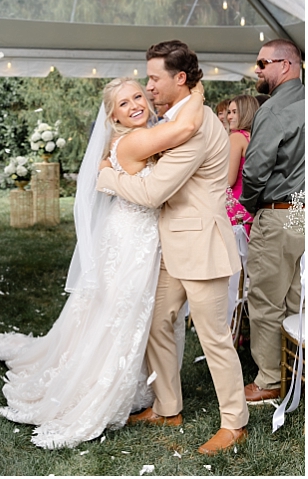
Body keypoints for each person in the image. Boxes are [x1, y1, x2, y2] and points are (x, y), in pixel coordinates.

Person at [0, 76, 205, 448]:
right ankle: (109, 384)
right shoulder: (134, 140)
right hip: (133, 238)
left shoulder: (136, 137)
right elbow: (185, 128)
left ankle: (151, 388)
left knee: (125, 312)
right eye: (124, 103)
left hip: (138, 233)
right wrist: (196, 92)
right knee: (122, 312)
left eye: (138, 96)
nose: (135, 105)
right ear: (113, 116)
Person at [96, 40, 248, 455]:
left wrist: (107, 177)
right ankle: (167, 407)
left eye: (154, 79)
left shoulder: (194, 127)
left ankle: (234, 422)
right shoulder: (180, 116)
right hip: (171, 246)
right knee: (157, 323)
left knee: (214, 339)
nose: (148, 87)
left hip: (201, 246)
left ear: (180, 79)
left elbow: (154, 191)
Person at [239, 39, 305, 405]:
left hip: (280, 211)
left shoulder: (274, 108)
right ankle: (293, 372)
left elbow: (255, 170)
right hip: (302, 211)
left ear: (286, 65)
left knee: (265, 299)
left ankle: (269, 380)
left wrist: (250, 206)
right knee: (296, 297)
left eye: (263, 63)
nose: (258, 69)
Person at [225, 95, 259, 235]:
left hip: (234, 206)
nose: (229, 117)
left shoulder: (236, 137)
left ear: (246, 113)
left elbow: (229, 180)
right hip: (251, 207)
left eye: (235, 112)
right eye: (229, 112)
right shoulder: (255, 137)